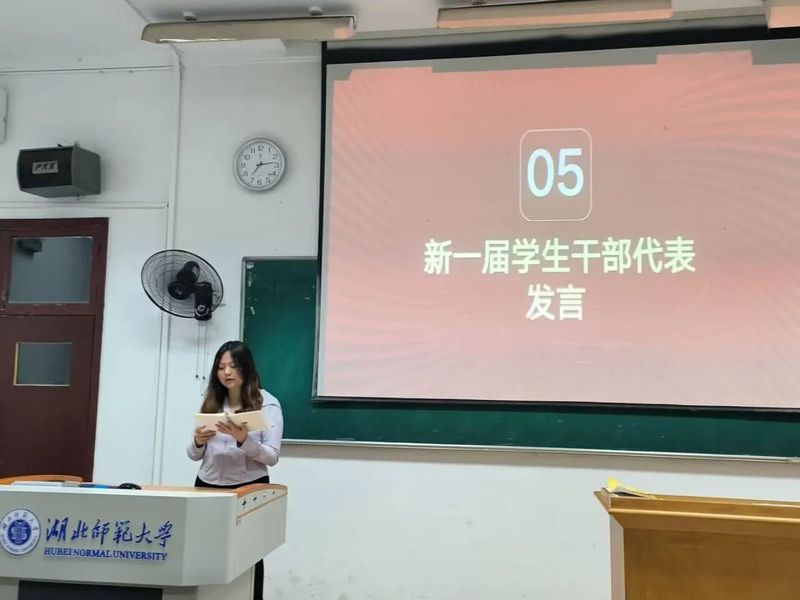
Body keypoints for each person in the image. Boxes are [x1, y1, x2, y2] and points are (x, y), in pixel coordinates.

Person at [188, 340, 283, 600]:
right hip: (208, 485)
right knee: (206, 550)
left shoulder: (267, 404)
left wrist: (244, 440)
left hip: (248, 487)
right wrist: (198, 441)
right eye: (221, 367)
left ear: (246, 368)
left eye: (233, 366)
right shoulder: (212, 401)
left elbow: (272, 456)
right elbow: (193, 454)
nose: (226, 372)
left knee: (249, 553)